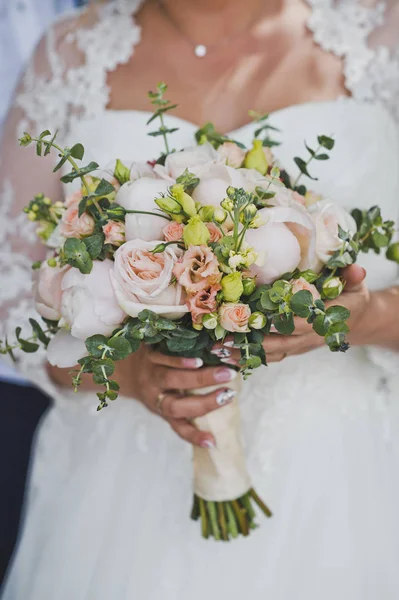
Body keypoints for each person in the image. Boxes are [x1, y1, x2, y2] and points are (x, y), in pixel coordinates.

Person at [0, 0, 398, 598]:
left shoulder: (383, 33)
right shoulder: (71, 52)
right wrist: (124, 373)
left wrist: (363, 316)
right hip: (120, 496)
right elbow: (11, 295)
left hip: (344, 477)